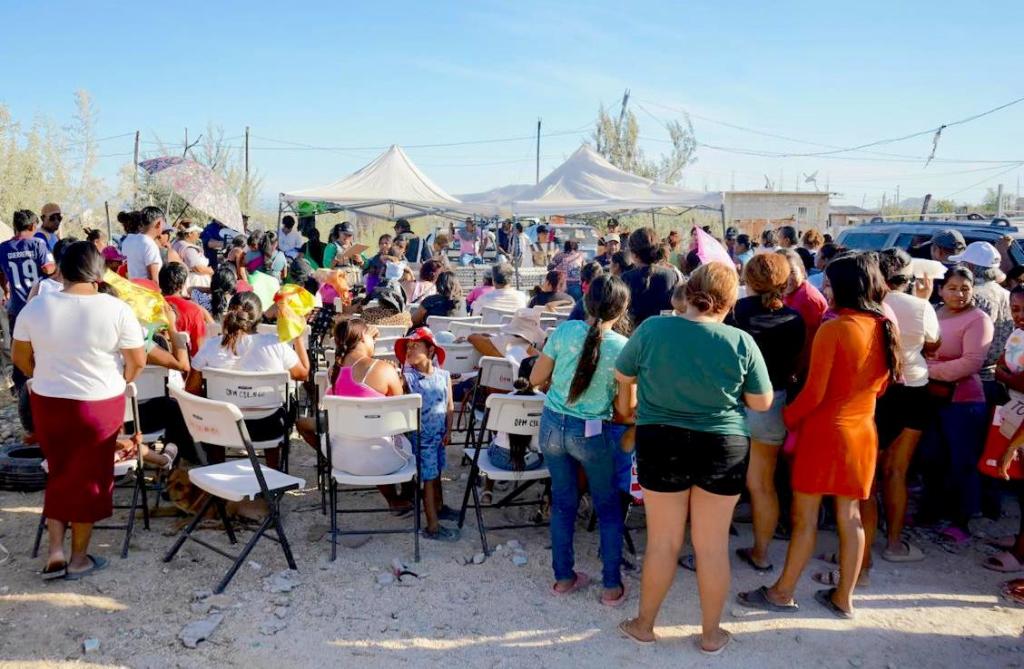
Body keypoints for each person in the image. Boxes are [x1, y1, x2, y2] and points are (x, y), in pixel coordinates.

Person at [617, 262, 773, 652]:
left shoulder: (653, 328)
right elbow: (762, 402)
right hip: (723, 443)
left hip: (660, 438)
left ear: (688, 291)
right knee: (711, 545)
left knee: (663, 541)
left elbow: (623, 375)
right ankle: (710, 633)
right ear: (730, 299)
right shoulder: (741, 342)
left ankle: (644, 624)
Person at [738, 253, 902, 620]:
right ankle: (845, 596)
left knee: (805, 518)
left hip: (825, 433)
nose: (823, 290)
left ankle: (782, 592)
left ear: (843, 288)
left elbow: (814, 393)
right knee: (850, 516)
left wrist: (787, 417)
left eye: (828, 284)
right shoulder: (882, 325)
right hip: (862, 432)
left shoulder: (836, 328)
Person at [13, 241, 145, 580]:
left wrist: (43, 374)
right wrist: (120, 380)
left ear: (61, 269)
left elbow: (20, 358)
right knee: (89, 478)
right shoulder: (117, 309)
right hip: (99, 404)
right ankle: (79, 558)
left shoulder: (36, 307)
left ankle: (55, 550)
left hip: (50, 401)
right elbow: (137, 361)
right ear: (98, 272)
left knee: (60, 470)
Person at [529, 275, 632, 605]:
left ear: (586, 301)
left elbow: (535, 378)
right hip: (590, 429)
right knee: (607, 506)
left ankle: (563, 577)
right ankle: (611, 585)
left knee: (563, 502)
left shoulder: (564, 331)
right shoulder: (622, 348)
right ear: (623, 309)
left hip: (551, 424)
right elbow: (624, 409)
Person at [728, 254, 805, 573]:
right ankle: (761, 552)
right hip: (773, 403)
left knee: (721, 484)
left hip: (733, 403)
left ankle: (710, 552)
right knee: (763, 485)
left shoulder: (734, 312)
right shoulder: (795, 319)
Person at [864, 248, 940, 569]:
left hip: (880, 393)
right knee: (897, 472)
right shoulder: (920, 306)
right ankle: (894, 544)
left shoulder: (867, 304)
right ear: (907, 277)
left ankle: (860, 554)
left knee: (868, 477)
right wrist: (924, 299)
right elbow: (934, 345)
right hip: (914, 389)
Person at [295, 318, 413, 513]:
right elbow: (401, 417)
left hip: (341, 458)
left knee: (361, 435)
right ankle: (399, 498)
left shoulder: (333, 371)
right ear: (363, 338)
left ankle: (328, 459)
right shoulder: (383, 369)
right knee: (387, 435)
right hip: (384, 460)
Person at [188, 292, 310, 469]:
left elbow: (192, 389)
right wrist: (297, 336)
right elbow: (303, 374)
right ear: (259, 317)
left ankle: (216, 470)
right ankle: (272, 473)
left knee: (213, 408)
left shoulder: (211, 346)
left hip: (222, 427)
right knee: (277, 407)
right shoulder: (275, 345)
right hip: (268, 426)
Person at [919, 266, 993, 543]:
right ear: (941, 289)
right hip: (933, 398)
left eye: (965, 288)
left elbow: (971, 362)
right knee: (932, 458)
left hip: (963, 402)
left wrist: (926, 369)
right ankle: (931, 511)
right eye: (952, 288)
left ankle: (961, 521)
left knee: (962, 462)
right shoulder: (935, 313)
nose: (959, 294)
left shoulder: (978, 319)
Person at [396, 328, 458, 541]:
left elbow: (449, 405)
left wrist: (449, 430)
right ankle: (432, 525)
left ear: (431, 350)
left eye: (415, 346)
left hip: (439, 436)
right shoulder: (407, 379)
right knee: (429, 480)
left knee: (437, 473)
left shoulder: (444, 376)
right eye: (408, 347)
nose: (410, 350)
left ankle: (439, 508)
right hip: (420, 439)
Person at [950, 241, 1013, 405]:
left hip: (971, 382)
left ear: (969, 267)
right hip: (999, 379)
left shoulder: (973, 297)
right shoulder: (1007, 294)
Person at [0, 210, 56, 391]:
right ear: (33, 226)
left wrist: (6, 289)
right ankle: (43, 382)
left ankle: (21, 386)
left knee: (18, 344)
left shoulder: (3, 248)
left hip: (16, 307)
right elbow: (49, 269)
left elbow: (1, 274)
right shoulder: (38, 244)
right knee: (41, 345)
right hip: (38, 306)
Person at [778, 248, 828, 377]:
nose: (788, 279)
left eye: (792, 272)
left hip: (804, 370)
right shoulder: (790, 293)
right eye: (782, 272)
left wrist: (795, 373)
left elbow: (806, 345)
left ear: (803, 270)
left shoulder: (806, 299)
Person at [621, 228, 679, 326]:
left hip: (635, 333)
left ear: (634, 254)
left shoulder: (626, 278)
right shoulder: (671, 275)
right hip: (663, 331)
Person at [159, 263, 208, 357]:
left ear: (160, 283)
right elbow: (198, 351)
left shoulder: (149, 306)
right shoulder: (194, 310)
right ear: (182, 285)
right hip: (184, 366)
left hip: (151, 367)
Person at [121, 206, 164, 282]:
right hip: (146, 292)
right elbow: (153, 280)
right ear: (159, 223)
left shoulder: (128, 241)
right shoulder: (149, 244)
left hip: (131, 290)